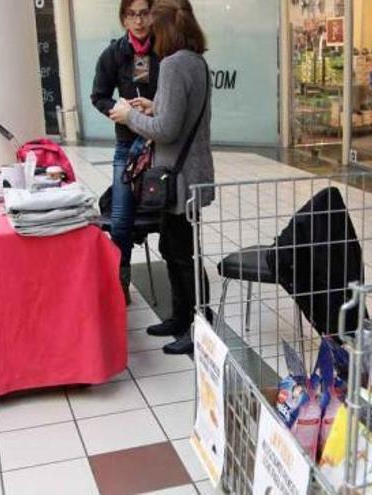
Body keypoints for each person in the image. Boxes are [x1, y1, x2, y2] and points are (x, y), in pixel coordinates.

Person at [109, 0, 213, 355]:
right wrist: (152, 107)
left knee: (183, 255)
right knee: (175, 248)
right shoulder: (196, 61)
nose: (149, 35)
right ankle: (181, 318)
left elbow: (166, 130)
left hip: (177, 179)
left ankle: (197, 326)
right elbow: (178, 116)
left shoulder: (172, 64)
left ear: (164, 29)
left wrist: (128, 115)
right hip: (191, 173)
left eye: (153, 28)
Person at [91, 0, 160, 304]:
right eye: (132, 14)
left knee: (173, 215)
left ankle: (180, 282)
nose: (139, 20)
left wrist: (156, 107)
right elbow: (98, 96)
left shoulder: (166, 51)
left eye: (144, 13)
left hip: (161, 143)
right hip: (127, 145)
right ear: (123, 18)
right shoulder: (114, 54)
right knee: (120, 217)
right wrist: (117, 109)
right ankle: (122, 277)